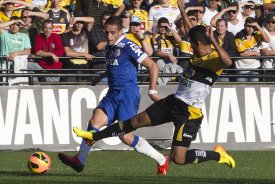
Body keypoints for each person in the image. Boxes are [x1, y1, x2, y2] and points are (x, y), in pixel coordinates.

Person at [72, 25, 236, 171]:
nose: (190, 49)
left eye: (192, 45)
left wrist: (213, 39)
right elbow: (190, 29)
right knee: (134, 122)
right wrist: (180, 7)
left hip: (189, 113)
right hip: (173, 102)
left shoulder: (215, 60)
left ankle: (218, 155)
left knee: (178, 159)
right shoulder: (199, 52)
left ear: (198, 44)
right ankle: (93, 136)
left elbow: (228, 62)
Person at [58, 15, 169, 175]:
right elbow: (115, 65)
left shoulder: (128, 45)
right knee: (94, 121)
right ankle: (80, 160)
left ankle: (161, 159)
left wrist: (152, 91)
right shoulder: (110, 46)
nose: (108, 36)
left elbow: (153, 66)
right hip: (112, 94)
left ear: (120, 31)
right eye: (106, 32)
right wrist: (100, 77)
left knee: (125, 137)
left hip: (127, 96)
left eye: (112, 33)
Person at [61, 14, 95, 82]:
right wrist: (83, 54)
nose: (79, 24)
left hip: (85, 65)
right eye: (77, 22)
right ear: (73, 23)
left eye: (81, 22)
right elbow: (68, 53)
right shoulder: (66, 35)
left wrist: (77, 18)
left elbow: (92, 20)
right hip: (71, 65)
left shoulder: (85, 31)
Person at [234, 17, 269, 82]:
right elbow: (242, 53)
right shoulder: (239, 35)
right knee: (240, 90)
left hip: (255, 68)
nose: (250, 29)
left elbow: (267, 40)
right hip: (242, 69)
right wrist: (255, 53)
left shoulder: (256, 33)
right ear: (244, 26)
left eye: (253, 27)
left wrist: (258, 27)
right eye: (248, 26)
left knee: (253, 89)